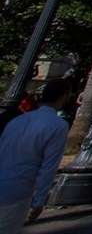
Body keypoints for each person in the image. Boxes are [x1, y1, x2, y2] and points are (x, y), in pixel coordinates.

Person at [0, 79, 70, 228]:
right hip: (18, 190)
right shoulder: (57, 125)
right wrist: (39, 201)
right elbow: (49, 166)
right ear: (64, 97)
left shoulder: (17, 120)